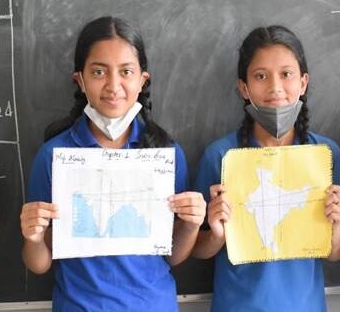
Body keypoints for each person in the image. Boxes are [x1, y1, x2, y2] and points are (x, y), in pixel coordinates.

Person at [20, 16, 205, 312]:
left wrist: (192, 225)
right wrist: (33, 238)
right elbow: (40, 263)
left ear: (142, 80)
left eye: (126, 72)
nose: (113, 86)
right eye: (98, 72)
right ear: (80, 80)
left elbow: (173, 255)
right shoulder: (54, 156)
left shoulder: (165, 154)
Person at [191, 25, 340, 312]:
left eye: (286, 74)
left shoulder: (325, 154)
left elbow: (336, 253)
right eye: (261, 76)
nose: (275, 88)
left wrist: (336, 234)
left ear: (303, 83)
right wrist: (216, 233)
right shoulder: (221, 156)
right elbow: (198, 250)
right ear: (244, 87)